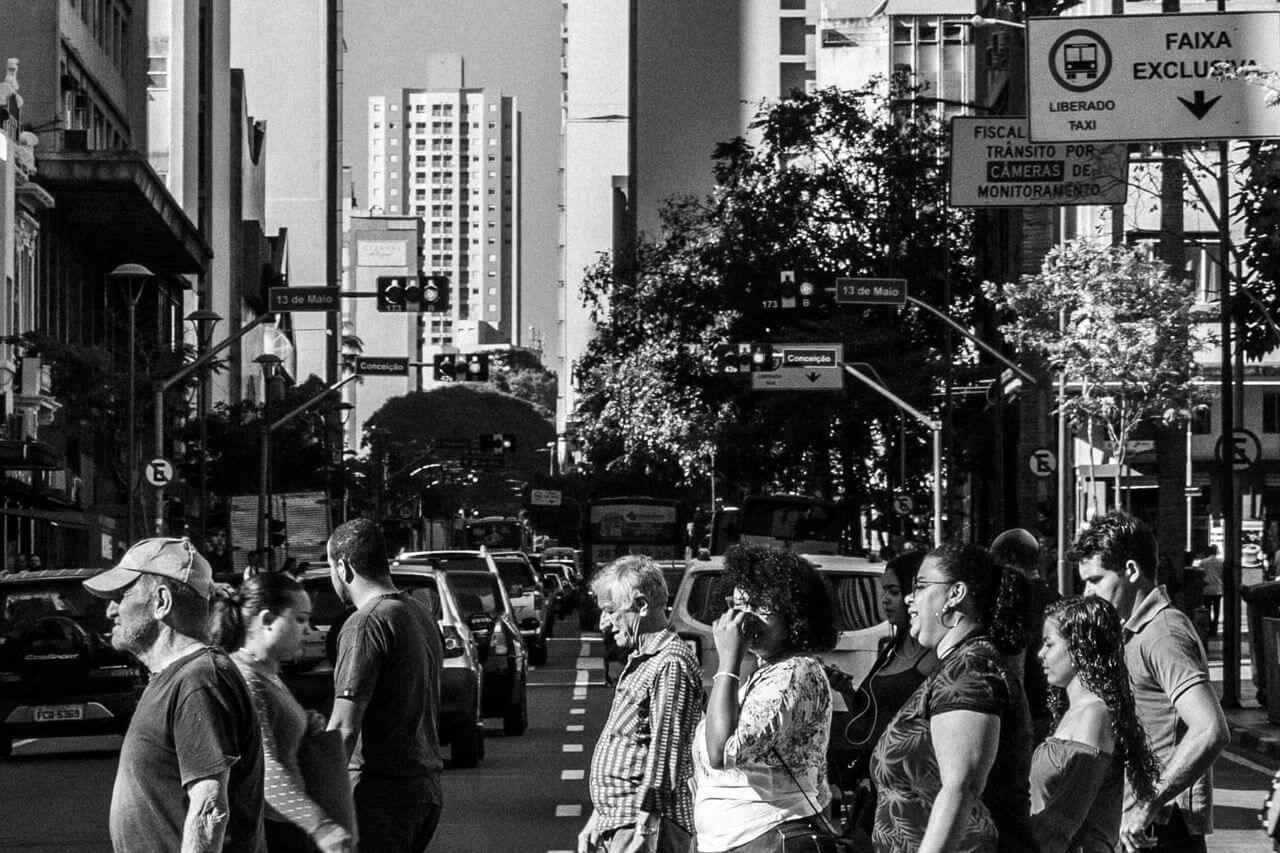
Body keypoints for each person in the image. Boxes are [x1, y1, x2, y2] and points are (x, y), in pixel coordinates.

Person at [82, 537, 265, 852]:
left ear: (161, 602)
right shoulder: (180, 676)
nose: (111, 611)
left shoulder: (199, 680)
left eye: (121, 595)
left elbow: (210, 809)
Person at [1070, 510, 1228, 853]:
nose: (1087, 593)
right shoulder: (1134, 631)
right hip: (1138, 827)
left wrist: (1147, 804)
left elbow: (1211, 729)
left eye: (1096, 580)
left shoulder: (1163, 634)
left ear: (1130, 571)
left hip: (1162, 829)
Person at [871, 542, 1037, 853]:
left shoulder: (970, 670)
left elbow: (961, 788)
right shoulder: (960, 665)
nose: (910, 598)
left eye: (920, 586)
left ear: (955, 594)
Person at [693, 545, 838, 852]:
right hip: (735, 840)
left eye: (758, 607)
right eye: (739, 604)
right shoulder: (766, 672)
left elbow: (722, 752)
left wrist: (728, 661)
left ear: (793, 613)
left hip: (767, 837)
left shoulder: (795, 671)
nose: (744, 620)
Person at [208, 572, 355, 852]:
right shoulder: (246, 678)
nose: (309, 630)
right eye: (300, 619)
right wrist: (323, 829)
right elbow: (266, 768)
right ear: (266, 621)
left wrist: (305, 722)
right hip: (273, 831)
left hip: (288, 826)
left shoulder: (267, 674)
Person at [326, 518, 444, 852]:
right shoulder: (418, 613)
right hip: (424, 789)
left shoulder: (364, 624)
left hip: (379, 794)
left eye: (330, 567)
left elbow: (344, 726)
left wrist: (320, 802)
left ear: (344, 566)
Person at [577, 556, 704, 853]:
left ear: (642, 605)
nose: (603, 624)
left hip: (645, 826)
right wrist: (599, 817)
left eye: (611, 611)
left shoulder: (670, 663)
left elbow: (667, 756)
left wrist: (646, 832)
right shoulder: (644, 660)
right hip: (623, 821)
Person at [1030, 596, 1162, 853]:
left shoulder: (1095, 715)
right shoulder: (1077, 711)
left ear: (1079, 649)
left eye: (1049, 644)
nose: (1040, 654)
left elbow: (1064, 818)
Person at [827, 551, 935, 830]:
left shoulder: (934, 655)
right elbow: (867, 717)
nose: (885, 599)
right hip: (876, 784)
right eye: (883, 591)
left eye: (894, 591)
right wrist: (846, 690)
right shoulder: (892, 650)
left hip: (911, 790)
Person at [990, 527, 1059, 744]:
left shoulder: (1011, 602)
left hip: (1024, 717)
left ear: (1008, 559)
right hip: (1053, 710)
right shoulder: (1057, 600)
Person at [1195, 545, 1222, 637]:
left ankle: (1208, 626)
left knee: (1207, 609)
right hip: (1218, 589)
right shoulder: (1220, 562)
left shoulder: (1203, 562)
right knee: (1217, 610)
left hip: (1206, 589)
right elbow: (1222, 575)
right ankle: (1214, 629)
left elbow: (1199, 574)